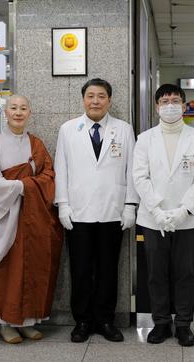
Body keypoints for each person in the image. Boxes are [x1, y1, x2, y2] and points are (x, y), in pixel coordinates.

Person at [0, 95, 63, 344]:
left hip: (34, 216)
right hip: (4, 215)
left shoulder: (36, 144)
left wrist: (25, 185)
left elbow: (49, 174)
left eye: (23, 108)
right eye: (13, 108)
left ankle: (27, 321)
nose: (18, 112)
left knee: (32, 266)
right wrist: (21, 186)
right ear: (5, 112)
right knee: (7, 269)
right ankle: (5, 323)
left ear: (29, 113)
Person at [54, 78, 138, 343]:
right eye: (90, 96)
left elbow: (132, 169)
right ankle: (82, 320)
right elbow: (61, 168)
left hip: (113, 211)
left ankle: (104, 319)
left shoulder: (123, 129)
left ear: (109, 100)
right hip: (78, 212)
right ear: (83, 99)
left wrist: (130, 205)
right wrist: (63, 205)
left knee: (107, 269)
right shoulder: (68, 129)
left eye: (101, 96)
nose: (95, 101)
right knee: (79, 269)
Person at [133, 84, 194, 347]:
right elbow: (139, 176)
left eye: (175, 100)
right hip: (153, 218)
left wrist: (183, 211)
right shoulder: (145, 139)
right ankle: (161, 323)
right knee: (156, 273)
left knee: (185, 273)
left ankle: (183, 325)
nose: (169, 105)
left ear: (184, 105)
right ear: (156, 106)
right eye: (164, 101)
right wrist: (156, 209)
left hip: (187, 219)